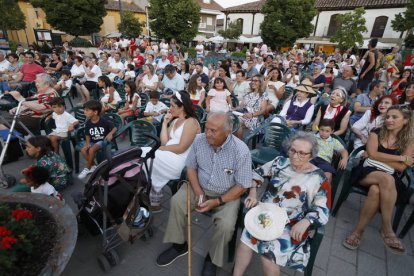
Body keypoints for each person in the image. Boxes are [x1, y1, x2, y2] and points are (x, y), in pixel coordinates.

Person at [156, 112, 252, 275]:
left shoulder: (240, 151)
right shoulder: (199, 140)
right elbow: (191, 168)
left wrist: (216, 202)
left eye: (213, 131)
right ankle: (179, 245)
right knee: (177, 202)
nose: (207, 133)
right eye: (206, 128)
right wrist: (199, 192)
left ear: (227, 132)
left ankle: (212, 259)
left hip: (227, 194)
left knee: (226, 225)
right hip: (199, 186)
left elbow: (242, 186)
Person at [233, 132, 329, 276]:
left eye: (302, 153)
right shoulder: (280, 162)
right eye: (293, 150)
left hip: (291, 224)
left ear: (311, 155)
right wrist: (253, 192)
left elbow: (323, 210)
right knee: (245, 242)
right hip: (265, 215)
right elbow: (256, 173)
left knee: (268, 256)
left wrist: (306, 221)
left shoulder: (319, 178)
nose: (295, 156)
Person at [343, 106, 414, 255]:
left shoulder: (408, 140)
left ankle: (358, 232)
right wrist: (400, 157)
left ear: (406, 121)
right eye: (387, 117)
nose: (389, 120)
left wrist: (380, 157)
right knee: (386, 179)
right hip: (367, 172)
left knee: (376, 190)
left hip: (387, 177)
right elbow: (373, 154)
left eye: (394, 117)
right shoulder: (376, 132)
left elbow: (402, 168)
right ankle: (387, 228)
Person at [141, 91, 201, 210]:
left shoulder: (191, 122)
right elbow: (164, 141)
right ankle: (151, 196)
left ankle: (148, 193)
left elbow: (181, 147)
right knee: (144, 155)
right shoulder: (175, 121)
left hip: (181, 160)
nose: (170, 108)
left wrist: (160, 149)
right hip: (168, 154)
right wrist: (165, 123)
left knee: (145, 154)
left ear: (182, 107)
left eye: (173, 106)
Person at [78, 100, 117, 179]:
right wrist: (88, 143)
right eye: (84, 110)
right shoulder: (88, 123)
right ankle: (94, 166)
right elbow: (87, 134)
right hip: (93, 142)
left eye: (87, 110)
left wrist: (110, 133)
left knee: (91, 150)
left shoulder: (104, 121)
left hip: (103, 141)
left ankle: (87, 168)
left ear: (95, 112)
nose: (84, 112)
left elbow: (115, 128)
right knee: (83, 150)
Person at [311, 119, 348, 183]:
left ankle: (325, 191)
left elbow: (343, 150)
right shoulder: (313, 137)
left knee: (328, 175)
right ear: (319, 129)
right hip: (311, 158)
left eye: (327, 131)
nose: (324, 133)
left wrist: (345, 158)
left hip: (324, 161)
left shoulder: (334, 141)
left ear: (332, 131)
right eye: (322, 130)